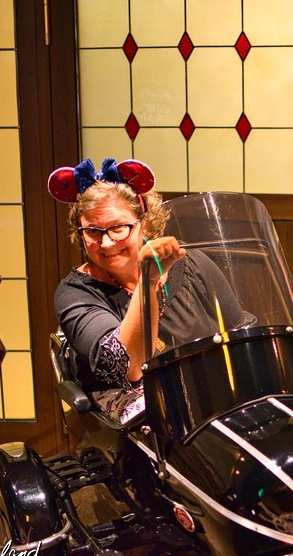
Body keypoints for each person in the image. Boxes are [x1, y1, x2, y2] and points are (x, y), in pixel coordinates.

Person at [51, 157, 249, 423]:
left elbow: (242, 332)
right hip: (141, 420)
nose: (107, 243)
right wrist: (149, 280)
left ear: (145, 222)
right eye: (93, 232)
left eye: (118, 228)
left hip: (213, 397)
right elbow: (130, 367)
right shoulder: (75, 293)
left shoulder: (194, 264)